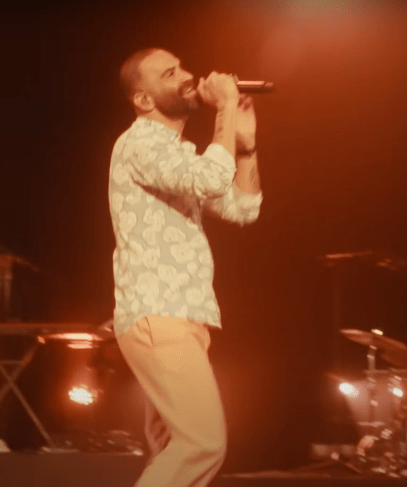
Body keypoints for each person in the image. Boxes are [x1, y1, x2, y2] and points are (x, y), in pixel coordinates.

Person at [108, 47, 262, 487]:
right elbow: (211, 178)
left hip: (181, 317)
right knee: (202, 443)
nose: (188, 77)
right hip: (159, 315)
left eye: (183, 67)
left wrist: (246, 147)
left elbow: (243, 208)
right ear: (143, 99)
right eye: (170, 74)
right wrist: (226, 107)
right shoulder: (139, 143)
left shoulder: (178, 154)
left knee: (172, 451)